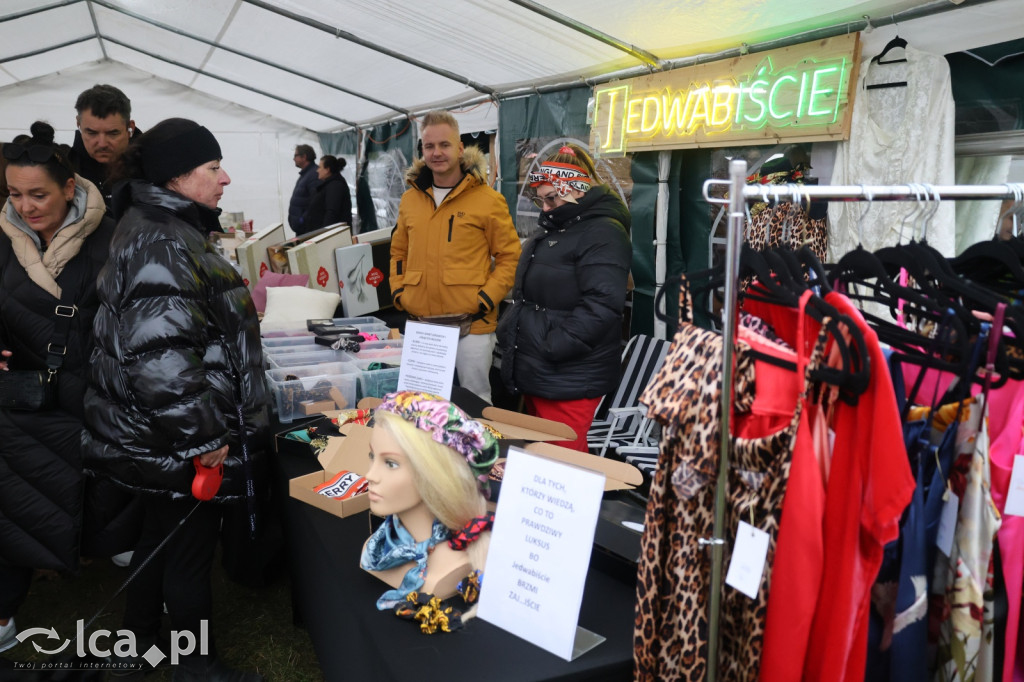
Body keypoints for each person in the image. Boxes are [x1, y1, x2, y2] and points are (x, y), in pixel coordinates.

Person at [82, 118, 269, 681]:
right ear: (176, 176)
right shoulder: (162, 240)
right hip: (173, 434)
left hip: (154, 432)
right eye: (213, 168)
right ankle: (195, 666)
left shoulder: (161, 227)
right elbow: (159, 357)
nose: (224, 178)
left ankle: (137, 644)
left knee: (160, 537)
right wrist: (204, 436)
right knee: (188, 548)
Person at [0, 122, 116, 652]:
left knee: (109, 494)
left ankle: (122, 555)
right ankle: (5, 609)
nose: (25, 206)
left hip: (97, 392)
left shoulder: (112, 238)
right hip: (25, 396)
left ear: (70, 188)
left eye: (38, 194)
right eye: (14, 194)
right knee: (18, 499)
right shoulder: (3, 239)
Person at [496, 143, 632, 452]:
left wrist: (552, 346)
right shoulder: (559, 226)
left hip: (568, 376)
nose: (545, 207)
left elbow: (602, 306)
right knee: (544, 458)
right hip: (542, 370)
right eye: (540, 199)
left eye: (552, 198)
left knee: (562, 464)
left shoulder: (603, 232)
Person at [390, 110, 521, 404]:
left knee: (475, 402)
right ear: (422, 150)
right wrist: (399, 291)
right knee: (422, 403)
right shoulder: (410, 199)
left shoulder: (488, 200)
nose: (437, 153)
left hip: (471, 325)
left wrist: (485, 298)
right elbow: (398, 252)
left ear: (460, 148)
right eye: (429, 146)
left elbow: (510, 257)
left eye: (444, 145)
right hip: (422, 323)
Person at [361, 391, 498, 627]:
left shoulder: (452, 567)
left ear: (434, 474)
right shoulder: (377, 548)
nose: (370, 475)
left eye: (390, 463)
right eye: (372, 456)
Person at [70, 84, 142, 206]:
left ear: (130, 127)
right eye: (92, 133)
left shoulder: (154, 169)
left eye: (113, 133)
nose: (102, 144)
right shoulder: (64, 170)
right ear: (78, 124)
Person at [302, 154, 352, 230]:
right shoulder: (330, 185)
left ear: (327, 170)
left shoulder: (335, 186)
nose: (317, 170)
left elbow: (332, 213)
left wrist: (324, 232)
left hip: (331, 233)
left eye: (319, 167)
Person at [288, 144, 319, 234]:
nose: (293, 159)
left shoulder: (314, 175)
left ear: (304, 157)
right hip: (302, 228)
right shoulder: (306, 174)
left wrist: (302, 220)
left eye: (295, 155)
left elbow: (315, 202)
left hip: (308, 229)